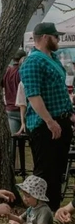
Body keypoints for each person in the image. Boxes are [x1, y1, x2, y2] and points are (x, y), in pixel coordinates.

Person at [20, 22, 74, 210]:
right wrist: (49, 121)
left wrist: (70, 115)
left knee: (57, 172)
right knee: (44, 173)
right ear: (44, 37)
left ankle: (53, 212)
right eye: (55, 36)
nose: (58, 40)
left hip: (62, 120)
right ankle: (39, 214)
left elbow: (60, 92)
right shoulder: (32, 62)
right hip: (44, 126)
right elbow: (34, 96)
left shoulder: (54, 58)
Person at [3, 49, 26, 135]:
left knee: (14, 139)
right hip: (23, 109)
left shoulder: (7, 71)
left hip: (10, 109)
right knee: (30, 139)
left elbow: (2, 85)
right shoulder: (23, 72)